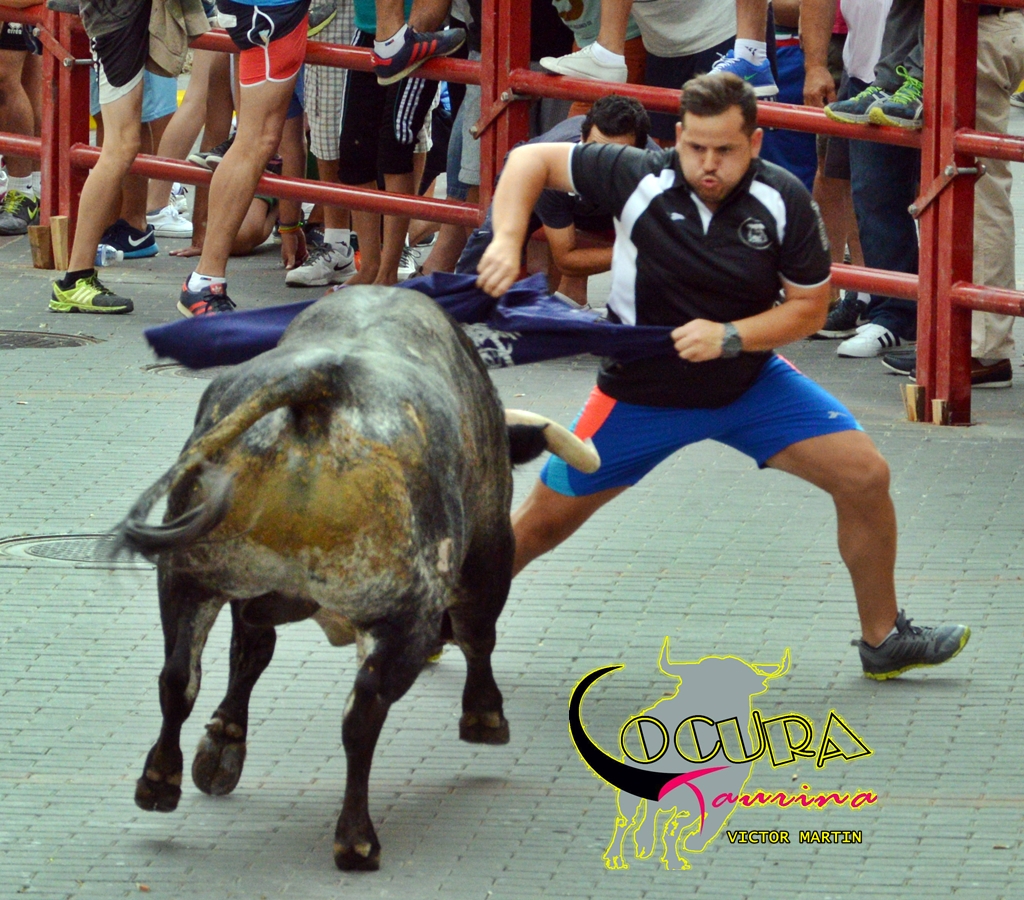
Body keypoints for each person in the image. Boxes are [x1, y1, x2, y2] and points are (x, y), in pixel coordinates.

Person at [475, 72, 970, 679]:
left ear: (754, 144)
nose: (708, 164)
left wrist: (730, 336)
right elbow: (528, 160)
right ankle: (441, 620)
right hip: (640, 393)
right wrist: (505, 240)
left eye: (726, 150)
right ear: (677, 138)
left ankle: (883, 638)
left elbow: (809, 309)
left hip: (749, 386)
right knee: (538, 525)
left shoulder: (785, 200)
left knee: (865, 475)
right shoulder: (638, 176)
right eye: (696, 147)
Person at [456, 94, 653, 307]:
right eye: (593, 151)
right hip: (545, 182)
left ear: (639, 154)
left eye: (616, 156)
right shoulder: (547, 173)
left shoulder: (657, 177)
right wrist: (639, 252)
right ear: (582, 140)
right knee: (489, 246)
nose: (601, 165)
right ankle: (462, 310)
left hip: (613, 200)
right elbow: (566, 260)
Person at [539, 0, 779, 99]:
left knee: (733, 157)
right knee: (671, 168)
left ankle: (751, 57)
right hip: (661, 42)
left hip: (727, 31)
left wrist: (750, 50)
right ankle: (607, 52)